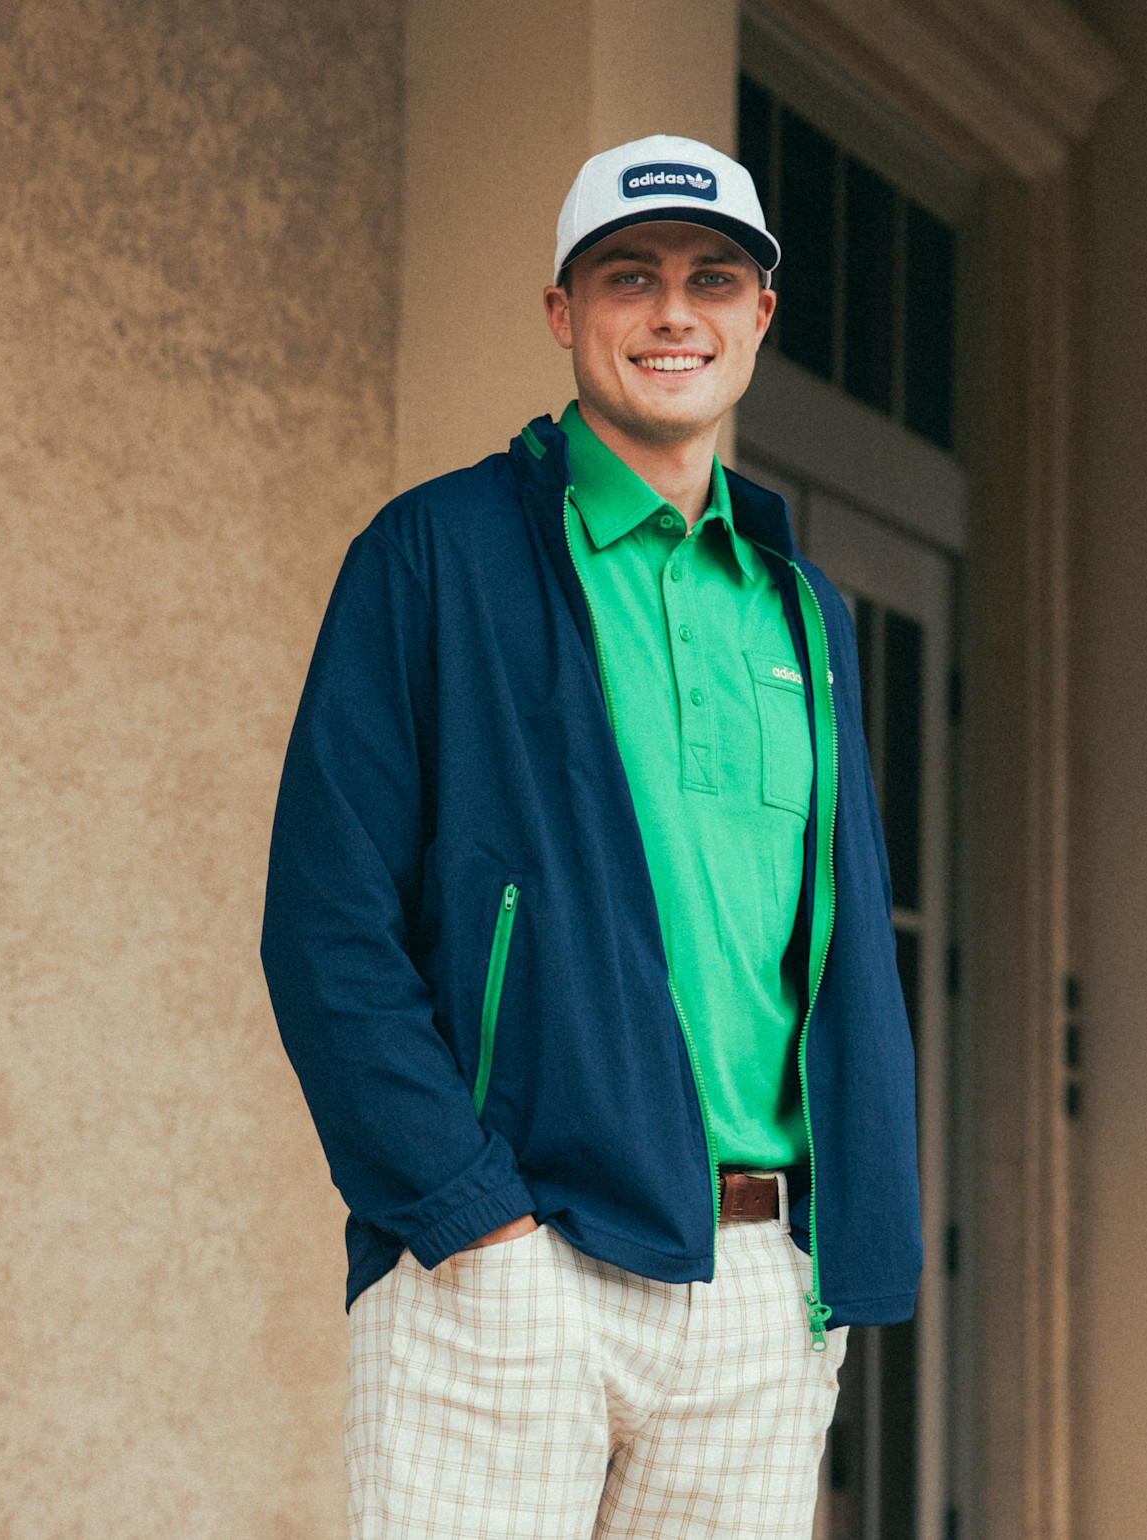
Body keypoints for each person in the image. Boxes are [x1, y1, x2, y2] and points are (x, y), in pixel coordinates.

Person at [260, 133, 922, 1540]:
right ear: (563, 312)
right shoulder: (435, 555)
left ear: (760, 317)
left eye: (712, 279)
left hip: (758, 1287)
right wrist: (468, 1215)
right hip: (512, 1266)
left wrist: (833, 1251)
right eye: (630, 277)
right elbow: (326, 922)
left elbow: (836, 945)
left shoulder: (803, 610)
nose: (674, 313)